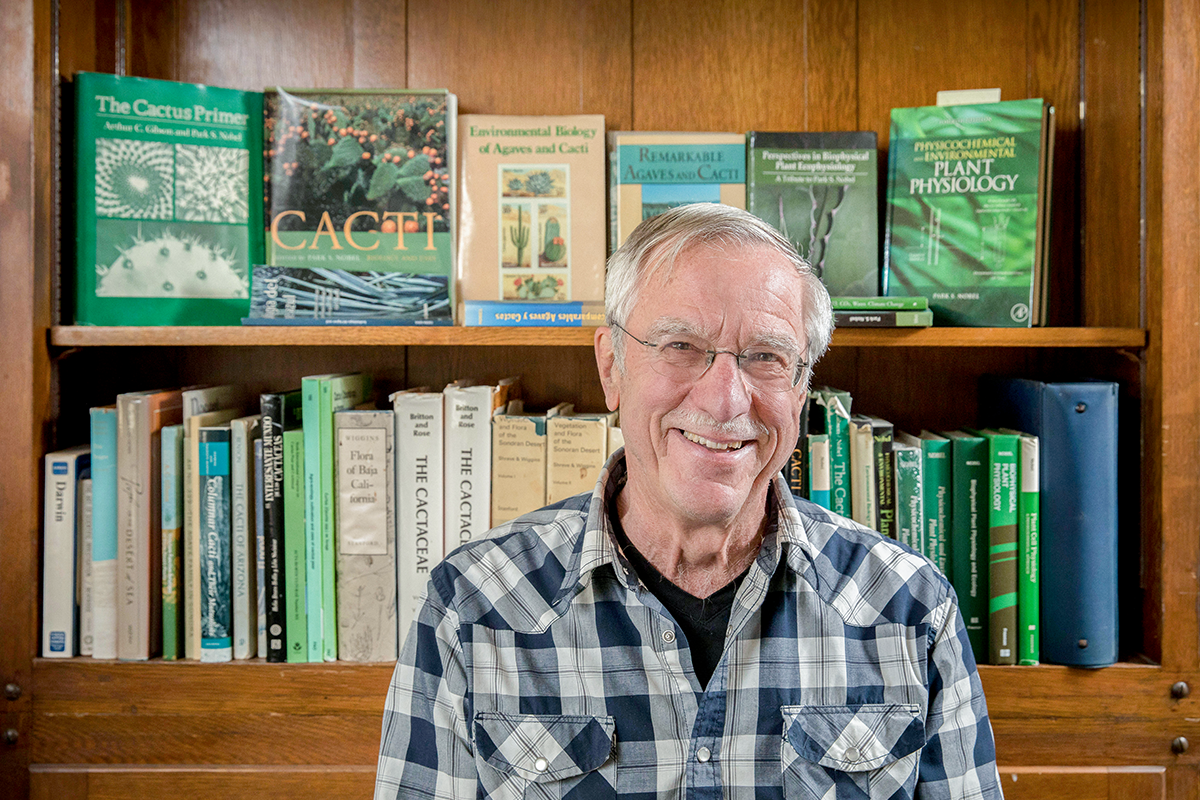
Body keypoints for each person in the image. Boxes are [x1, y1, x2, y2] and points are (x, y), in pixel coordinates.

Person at [374, 203, 1003, 799]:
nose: (725, 398)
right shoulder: (473, 606)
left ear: (803, 386)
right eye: (681, 347)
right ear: (611, 366)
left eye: (766, 356)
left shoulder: (910, 608)